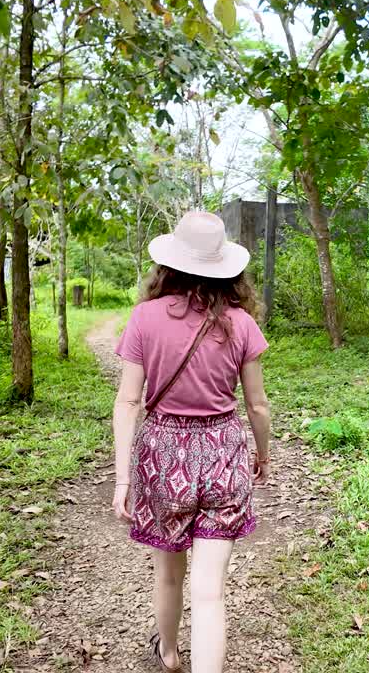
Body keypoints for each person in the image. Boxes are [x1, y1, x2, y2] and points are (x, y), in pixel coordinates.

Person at [111, 210, 272, 673]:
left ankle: (168, 653)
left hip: (164, 457)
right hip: (224, 454)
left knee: (168, 575)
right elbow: (258, 407)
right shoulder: (241, 324)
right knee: (210, 591)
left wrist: (123, 480)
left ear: (170, 265)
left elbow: (128, 403)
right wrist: (263, 455)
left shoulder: (144, 317)